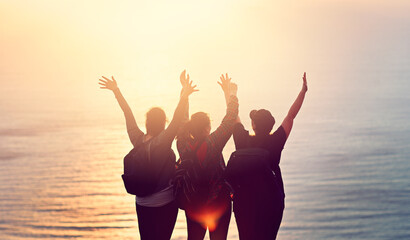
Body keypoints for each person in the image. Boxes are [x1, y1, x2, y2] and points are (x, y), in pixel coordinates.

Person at [98, 71, 198, 240]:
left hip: (142, 203)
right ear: (163, 123)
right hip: (165, 202)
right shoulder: (164, 141)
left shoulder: (137, 139)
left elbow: (127, 113)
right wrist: (184, 94)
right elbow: (177, 117)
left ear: (147, 122)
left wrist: (116, 90)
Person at [232, 72, 308, 239]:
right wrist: (303, 92)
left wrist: (230, 94)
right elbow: (290, 116)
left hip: (245, 202)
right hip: (271, 202)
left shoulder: (242, 140)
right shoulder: (276, 141)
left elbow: (233, 117)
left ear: (253, 125)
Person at [176, 73, 239, 240]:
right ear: (206, 129)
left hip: (193, 204)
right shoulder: (213, 143)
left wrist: (185, 94)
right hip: (218, 203)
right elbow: (230, 119)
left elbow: (181, 121)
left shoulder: (183, 145)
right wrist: (231, 93)